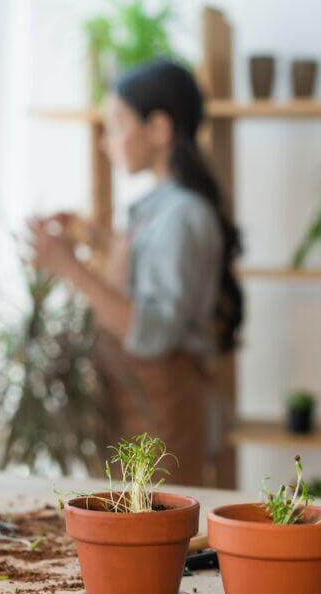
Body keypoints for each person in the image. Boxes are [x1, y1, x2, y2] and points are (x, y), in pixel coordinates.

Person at [30, 59, 244, 485]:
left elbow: (152, 333)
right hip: (138, 403)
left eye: (116, 124)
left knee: (156, 535)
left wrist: (69, 268)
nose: (106, 142)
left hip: (163, 410)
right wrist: (92, 240)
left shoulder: (183, 215)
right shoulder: (163, 207)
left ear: (159, 130)